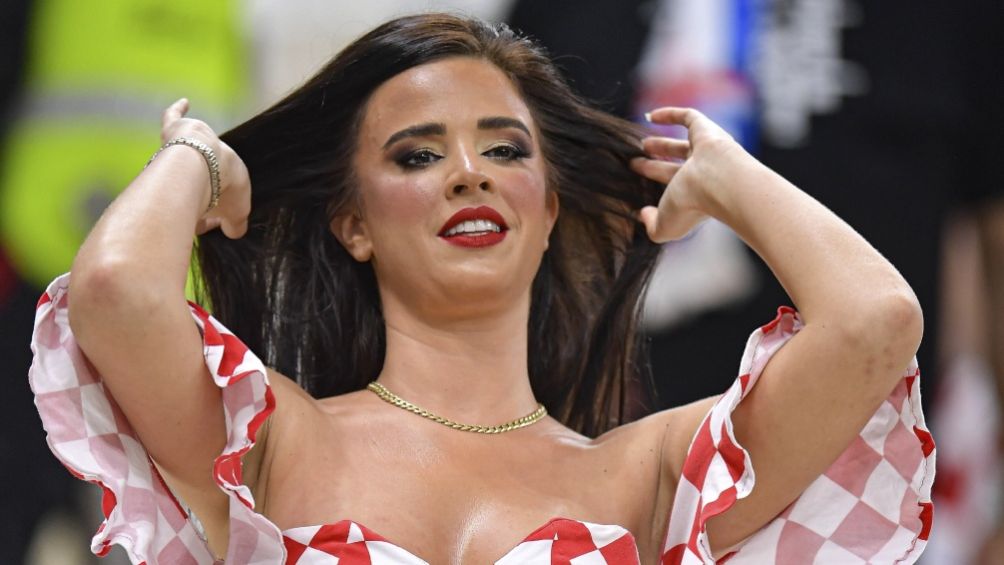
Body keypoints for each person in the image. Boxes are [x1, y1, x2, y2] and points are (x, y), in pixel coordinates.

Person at [28, 14, 934, 564]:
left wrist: (732, 179)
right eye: (417, 155)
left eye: (505, 149)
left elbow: (876, 321)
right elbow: (115, 290)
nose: (471, 173)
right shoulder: (269, 436)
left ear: (546, 210)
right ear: (353, 224)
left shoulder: (646, 473)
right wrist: (196, 155)